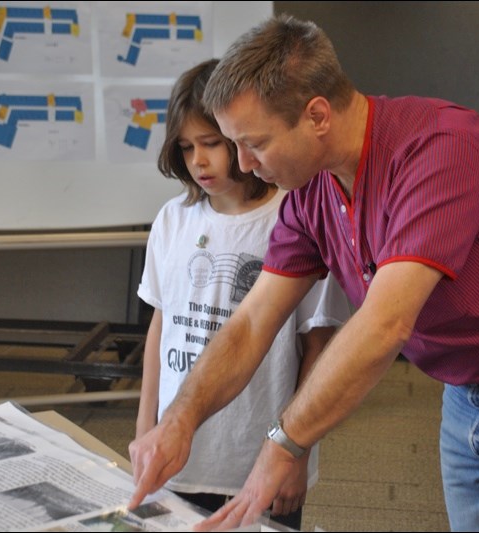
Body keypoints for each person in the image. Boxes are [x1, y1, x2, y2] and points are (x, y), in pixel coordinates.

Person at [128, 15, 479, 532]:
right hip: (467, 390)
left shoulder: (439, 147)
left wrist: (282, 443)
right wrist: (179, 421)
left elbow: (384, 325)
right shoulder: (311, 191)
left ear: (317, 115)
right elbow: (254, 319)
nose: (244, 163)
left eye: (254, 142)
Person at [134, 58, 351, 530]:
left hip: (259, 458)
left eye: (211, 143)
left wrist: (296, 452)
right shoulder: (173, 219)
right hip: (178, 456)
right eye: (187, 147)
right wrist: (146, 425)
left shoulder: (292, 218)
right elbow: (160, 326)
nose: (199, 161)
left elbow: (317, 342)